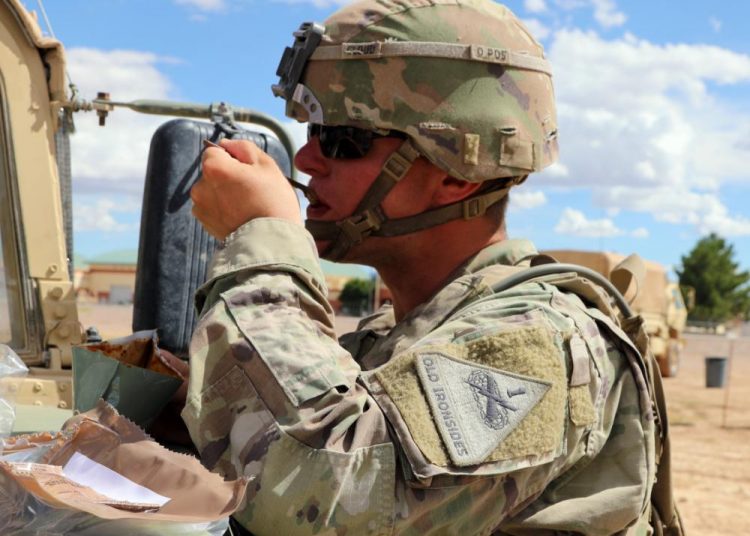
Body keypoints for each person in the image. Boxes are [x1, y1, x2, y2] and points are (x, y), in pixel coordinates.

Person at [186, 1, 682, 534]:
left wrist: (262, 236)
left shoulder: (534, 344)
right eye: (312, 133)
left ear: (457, 171)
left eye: (342, 139)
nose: (306, 160)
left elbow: (323, 497)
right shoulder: (398, 335)